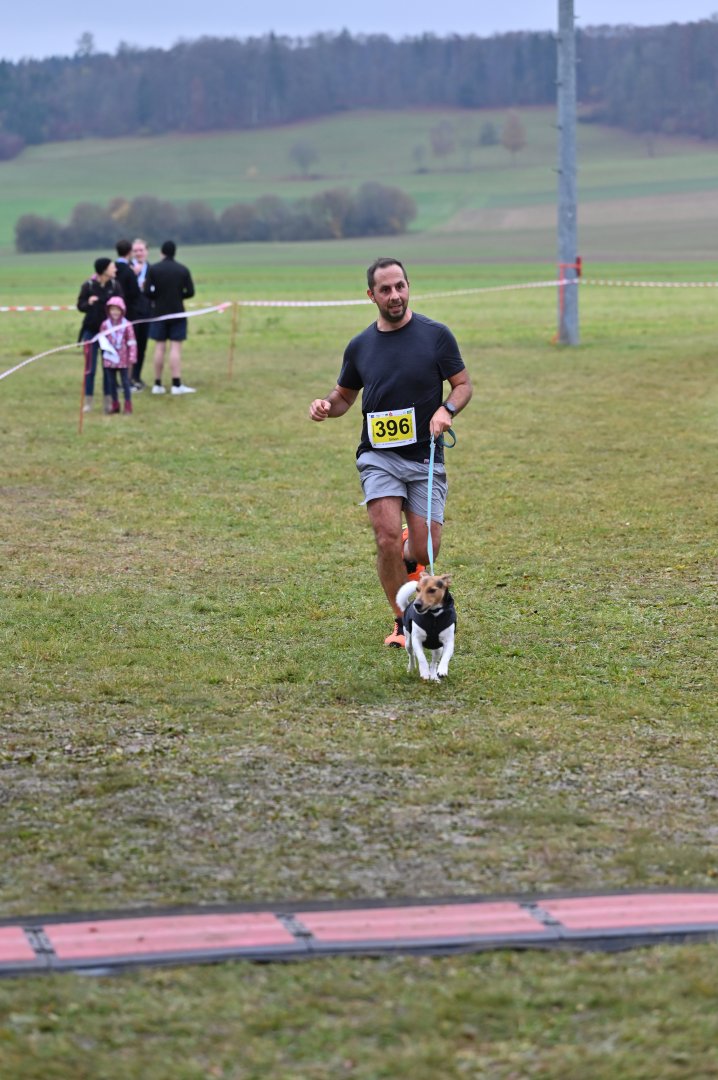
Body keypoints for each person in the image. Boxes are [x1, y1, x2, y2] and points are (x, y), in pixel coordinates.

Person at [309, 257, 472, 647]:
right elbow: (344, 396)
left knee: (425, 549)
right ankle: (403, 622)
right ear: (372, 295)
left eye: (400, 286)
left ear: (408, 286)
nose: (395, 295)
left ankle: (409, 544)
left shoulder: (436, 335)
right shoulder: (360, 346)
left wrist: (446, 410)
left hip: (424, 456)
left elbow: (463, 385)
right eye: (385, 289)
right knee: (384, 538)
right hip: (378, 456)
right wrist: (326, 405)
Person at [144, 239, 196, 395]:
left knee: (159, 347)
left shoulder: (154, 269)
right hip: (178, 312)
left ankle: (157, 384)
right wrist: (179, 296)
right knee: (175, 348)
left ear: (162, 252)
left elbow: (147, 292)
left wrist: (157, 297)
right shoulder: (183, 270)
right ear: (175, 252)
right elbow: (191, 292)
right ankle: (176, 384)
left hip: (159, 313)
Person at [76, 257, 123, 412]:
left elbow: (122, 305)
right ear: (104, 270)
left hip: (109, 334)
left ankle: (108, 402)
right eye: (112, 267)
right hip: (91, 332)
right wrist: (88, 302)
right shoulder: (88, 286)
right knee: (90, 368)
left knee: (108, 368)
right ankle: (88, 402)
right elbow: (80, 306)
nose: (115, 269)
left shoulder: (115, 286)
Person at [99, 296, 137, 414]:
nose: (115, 312)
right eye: (112, 309)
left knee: (125, 382)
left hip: (123, 359)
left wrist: (132, 357)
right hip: (109, 360)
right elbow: (102, 339)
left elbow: (131, 341)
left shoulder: (127, 325)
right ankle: (115, 404)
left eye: (117, 310)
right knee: (111, 383)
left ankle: (128, 404)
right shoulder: (105, 325)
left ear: (122, 310)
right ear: (108, 310)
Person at [130, 237, 152, 390]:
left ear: (147, 251)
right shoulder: (127, 269)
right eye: (135, 250)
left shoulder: (152, 269)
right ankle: (127, 378)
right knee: (131, 346)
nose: (138, 253)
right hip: (131, 314)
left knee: (142, 346)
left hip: (147, 313)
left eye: (141, 250)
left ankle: (137, 377)